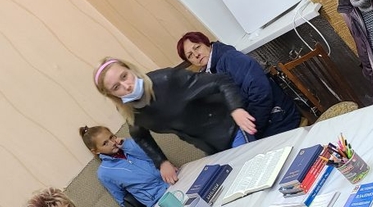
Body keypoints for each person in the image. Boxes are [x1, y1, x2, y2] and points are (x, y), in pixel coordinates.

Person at [92, 57, 255, 184]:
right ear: (112, 96)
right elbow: (139, 135)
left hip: (232, 129)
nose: (126, 86)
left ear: (130, 69)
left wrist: (236, 108)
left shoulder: (167, 80)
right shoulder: (131, 111)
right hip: (208, 146)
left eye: (124, 76)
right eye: (116, 87)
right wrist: (161, 162)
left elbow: (220, 81)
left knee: (252, 177)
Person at [177, 32, 300, 139]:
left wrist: (252, 130)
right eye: (190, 55)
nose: (196, 55)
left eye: (197, 47)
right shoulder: (208, 73)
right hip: (258, 124)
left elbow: (261, 92)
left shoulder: (230, 58)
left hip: (277, 119)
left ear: (206, 43)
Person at [79, 125, 169, 207]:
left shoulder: (130, 146)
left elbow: (154, 157)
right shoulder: (104, 173)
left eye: (111, 137)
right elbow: (123, 201)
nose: (112, 143)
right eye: (105, 143)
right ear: (96, 151)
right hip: (158, 201)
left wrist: (127, 145)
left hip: (172, 180)